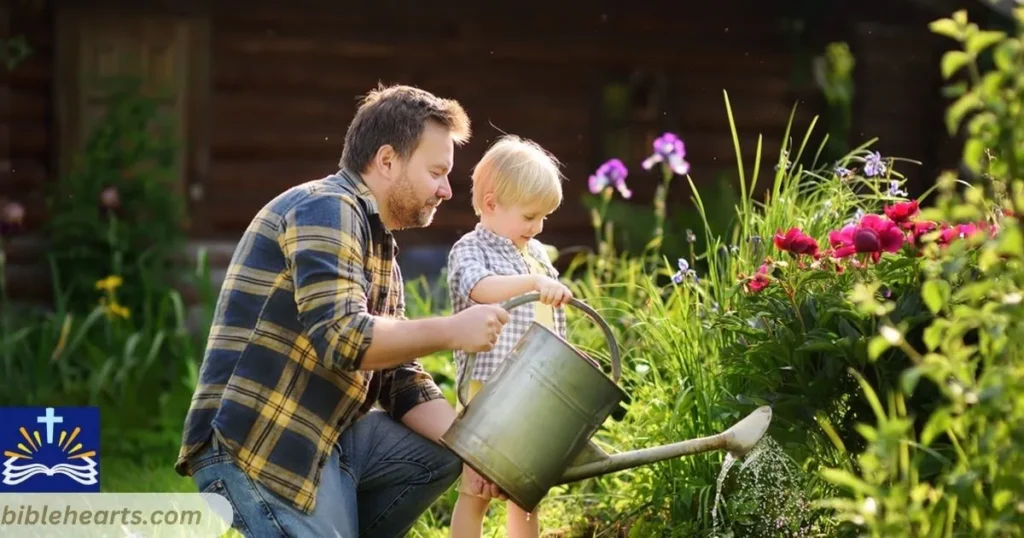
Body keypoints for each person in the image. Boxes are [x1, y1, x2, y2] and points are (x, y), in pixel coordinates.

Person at [174, 84, 511, 538]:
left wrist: (481, 450)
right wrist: (453, 330)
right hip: (260, 443)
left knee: (442, 453)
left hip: (327, 439)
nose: (447, 190)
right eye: (437, 172)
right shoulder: (324, 208)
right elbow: (343, 338)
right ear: (388, 160)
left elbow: (399, 377)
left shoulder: (379, 245)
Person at [445, 135, 574, 538]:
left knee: (526, 488)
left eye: (543, 219)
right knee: (477, 487)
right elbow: (479, 287)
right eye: (529, 216)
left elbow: (553, 323)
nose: (536, 228)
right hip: (490, 390)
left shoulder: (535, 255)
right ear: (490, 204)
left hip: (534, 389)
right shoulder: (470, 249)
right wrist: (533, 283)